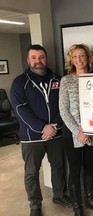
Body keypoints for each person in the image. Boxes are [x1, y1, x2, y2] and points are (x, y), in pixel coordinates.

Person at [10, 44, 72, 216]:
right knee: (31, 172)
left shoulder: (58, 79)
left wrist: (55, 126)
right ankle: (35, 205)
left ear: (46, 58)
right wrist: (42, 127)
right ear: (28, 59)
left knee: (58, 166)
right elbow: (20, 109)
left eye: (41, 57)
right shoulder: (19, 82)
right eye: (34, 57)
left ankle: (59, 195)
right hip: (32, 137)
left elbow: (64, 106)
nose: (38, 61)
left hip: (56, 133)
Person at [59, 44, 93, 216]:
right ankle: (77, 206)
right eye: (75, 56)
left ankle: (90, 200)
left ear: (88, 58)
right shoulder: (66, 81)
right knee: (75, 169)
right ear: (71, 60)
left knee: (89, 167)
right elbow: (63, 110)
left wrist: (89, 131)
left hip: (92, 133)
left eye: (82, 56)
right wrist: (79, 132)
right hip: (72, 135)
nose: (79, 60)